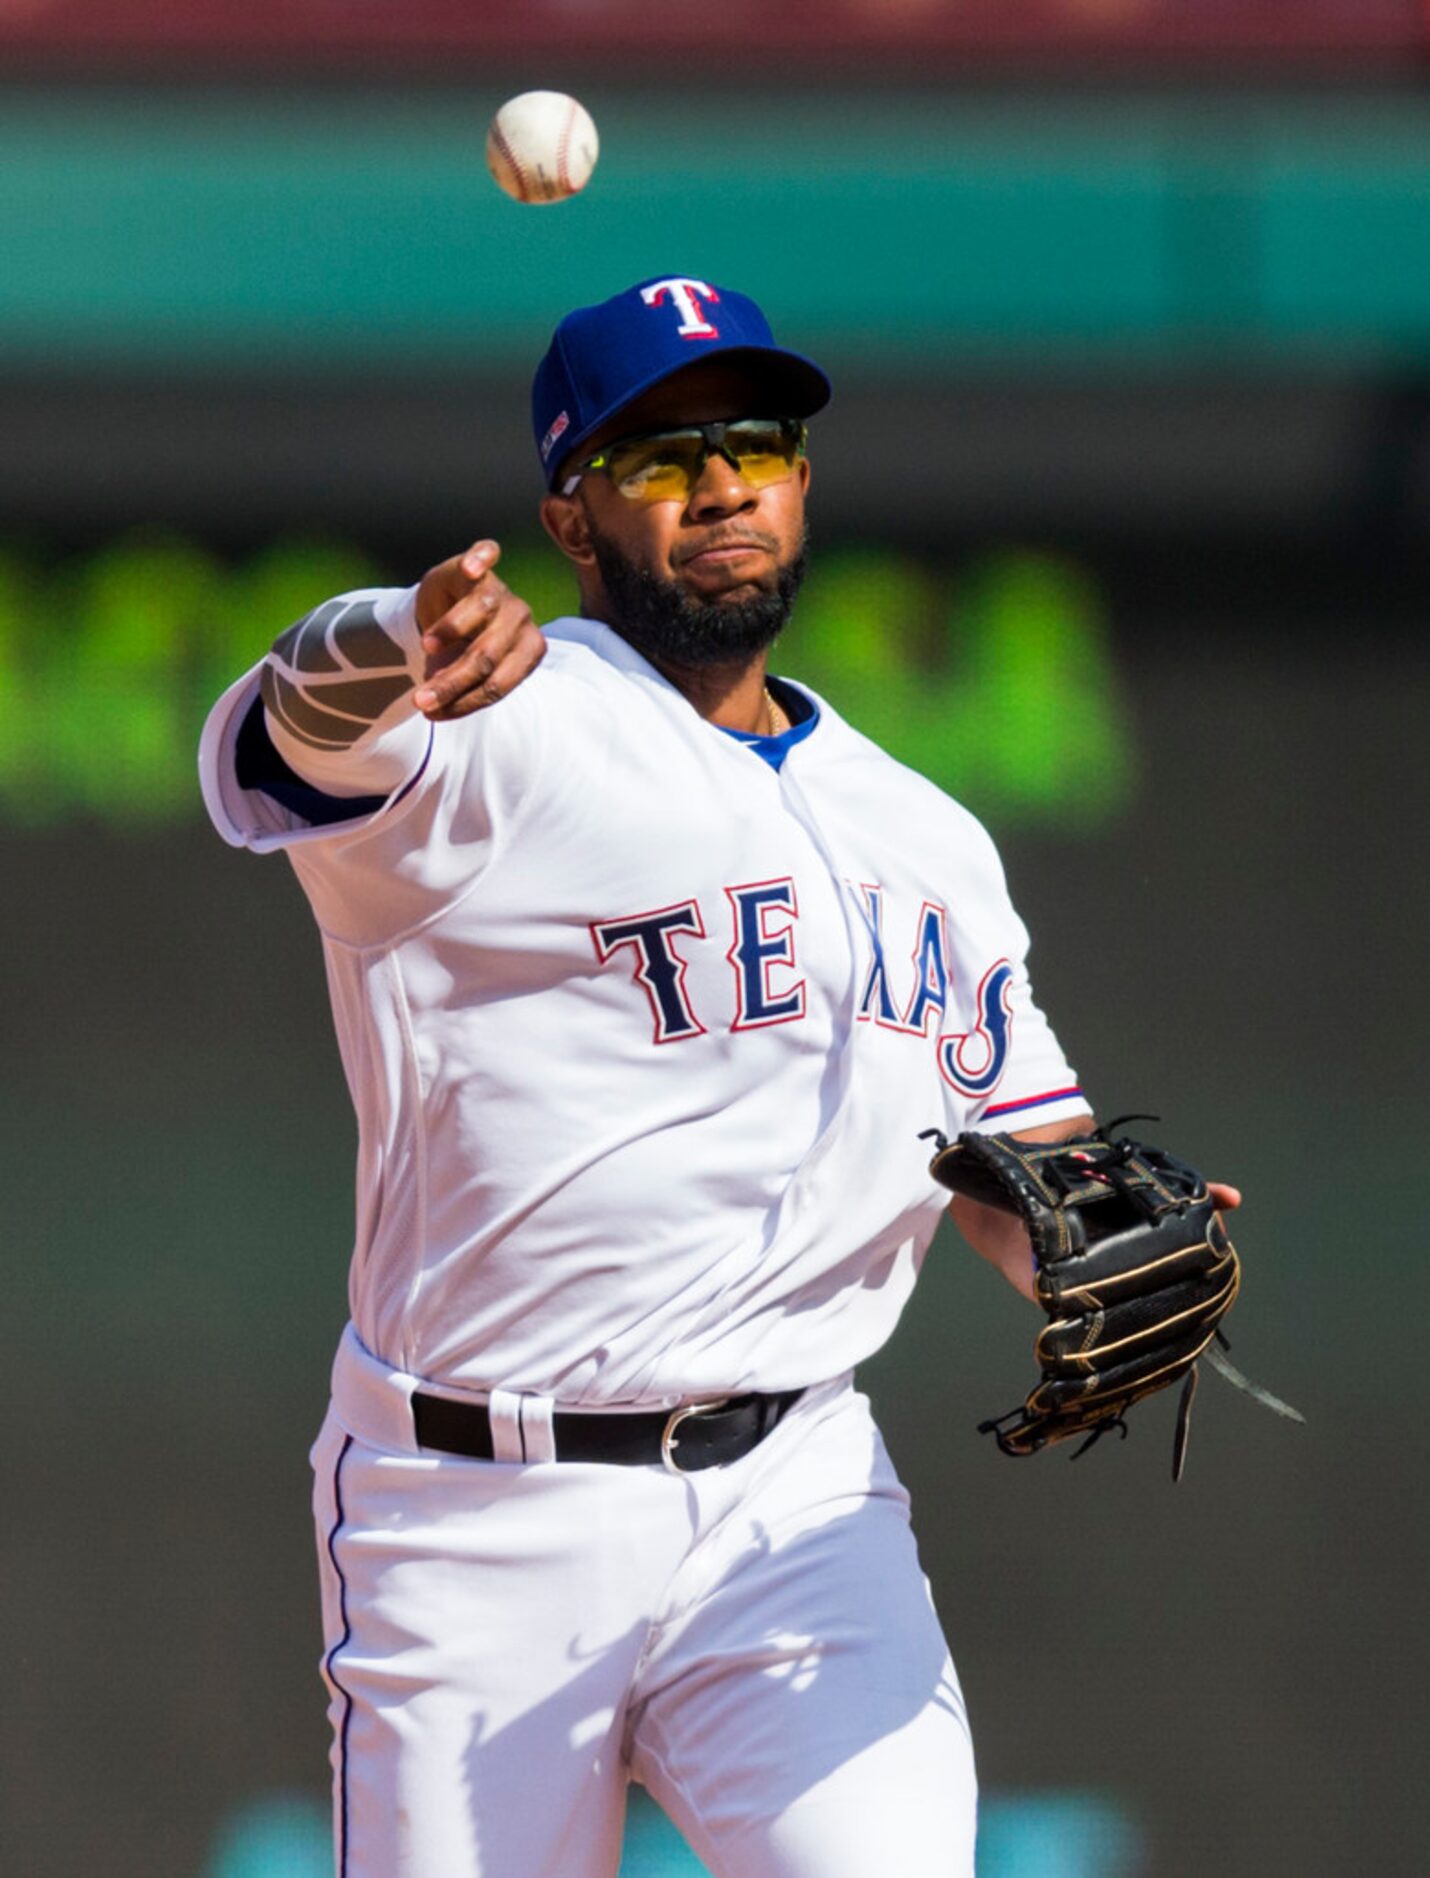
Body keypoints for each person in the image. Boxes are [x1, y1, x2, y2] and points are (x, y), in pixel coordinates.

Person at [200, 274, 1237, 1877]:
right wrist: (395, 634)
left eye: (755, 441)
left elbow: (1026, 1156)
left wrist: (1087, 1246)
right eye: (661, 456)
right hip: (478, 1508)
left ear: (804, 480)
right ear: (573, 515)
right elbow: (284, 737)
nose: (722, 484)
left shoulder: (928, 837)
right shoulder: (492, 725)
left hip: (796, 1501)